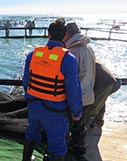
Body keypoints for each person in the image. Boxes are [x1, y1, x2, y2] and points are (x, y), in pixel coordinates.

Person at [22, 21, 82, 161]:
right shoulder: (68, 59)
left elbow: (26, 81)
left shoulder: (33, 55)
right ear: (65, 36)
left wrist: (32, 97)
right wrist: (76, 112)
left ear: (48, 34)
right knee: (57, 145)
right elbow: (73, 90)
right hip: (55, 111)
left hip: (34, 105)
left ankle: (26, 158)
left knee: (31, 133)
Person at [64, 22, 96, 161]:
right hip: (89, 95)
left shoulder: (72, 53)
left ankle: (71, 154)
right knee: (80, 129)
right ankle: (80, 152)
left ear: (67, 34)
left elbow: (70, 81)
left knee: (70, 128)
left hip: (76, 98)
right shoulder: (89, 49)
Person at [86, 61, 121, 129]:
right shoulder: (92, 60)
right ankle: (98, 121)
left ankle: (86, 128)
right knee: (101, 101)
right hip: (114, 81)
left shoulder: (86, 63)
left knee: (93, 108)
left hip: (107, 83)